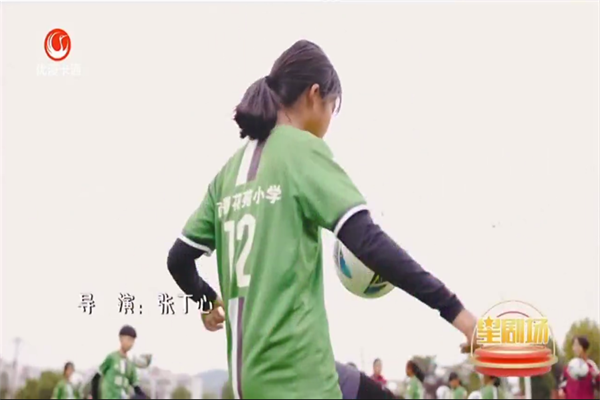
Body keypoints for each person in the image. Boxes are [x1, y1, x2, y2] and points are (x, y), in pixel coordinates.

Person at [167, 39, 478, 399]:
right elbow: (368, 242)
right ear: (315, 95)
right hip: (300, 382)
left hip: (249, 382)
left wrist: (206, 300)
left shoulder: (226, 176)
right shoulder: (300, 151)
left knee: (363, 388)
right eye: (333, 106)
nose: (330, 118)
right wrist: (461, 317)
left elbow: (178, 259)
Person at [90, 326, 147, 399]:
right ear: (121, 339)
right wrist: (95, 396)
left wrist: (141, 396)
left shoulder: (130, 364)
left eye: (133, 341)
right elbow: (96, 378)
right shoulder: (112, 358)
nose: (130, 343)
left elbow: (136, 385)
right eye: (128, 339)